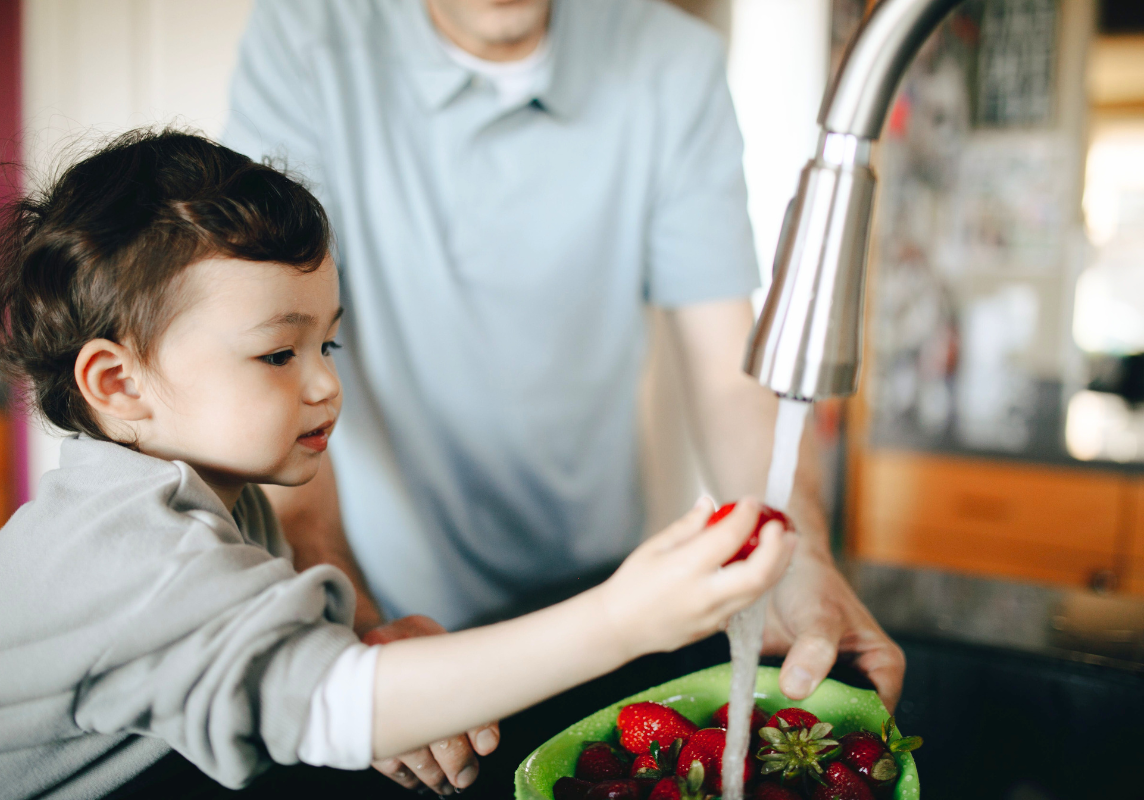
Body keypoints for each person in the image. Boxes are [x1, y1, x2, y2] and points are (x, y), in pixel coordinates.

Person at [0, 129, 796, 800]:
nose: (325, 382)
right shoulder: (128, 557)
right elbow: (327, 705)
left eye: (330, 340)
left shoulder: (204, 495)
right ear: (118, 383)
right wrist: (622, 621)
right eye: (278, 354)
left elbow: (271, 663)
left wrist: (375, 654)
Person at [224, 0, 906, 792]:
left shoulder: (671, 61)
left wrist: (800, 556)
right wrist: (350, 616)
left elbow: (729, 375)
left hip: (602, 590)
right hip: (388, 604)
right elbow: (271, 356)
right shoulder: (304, 39)